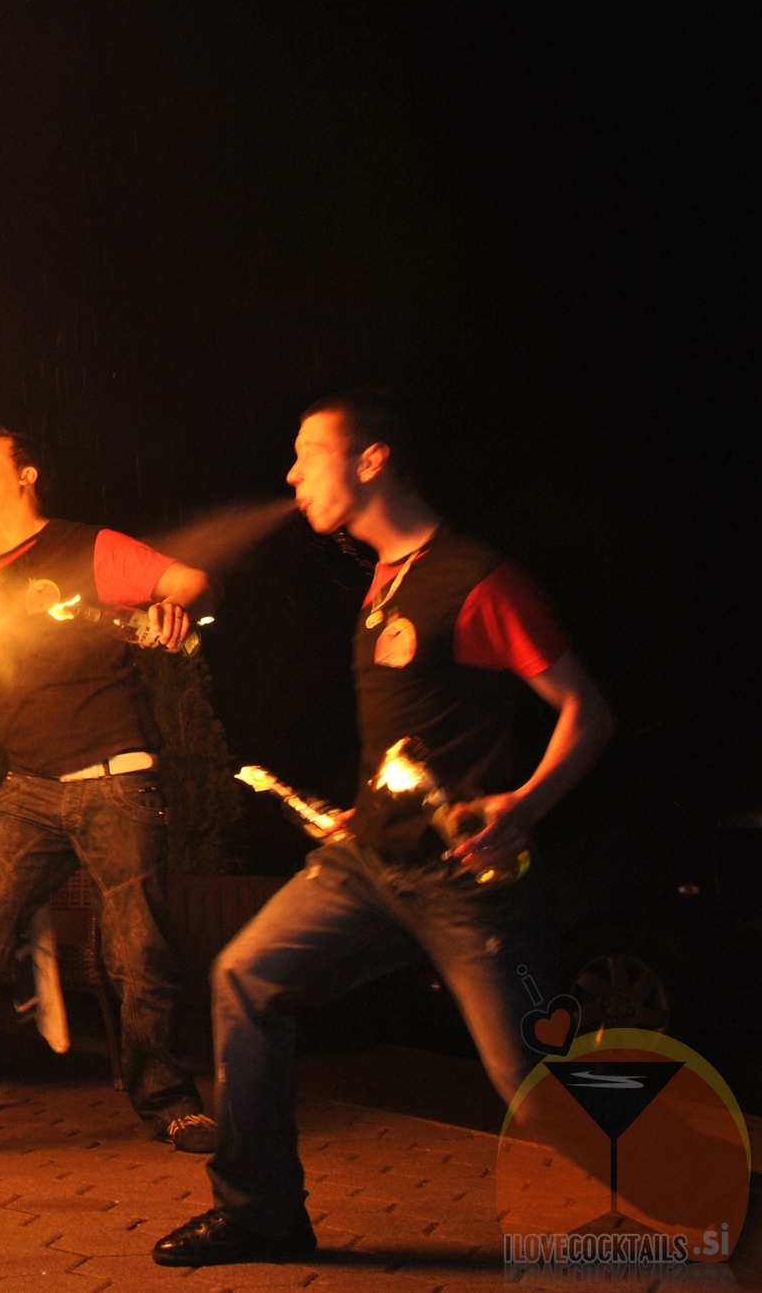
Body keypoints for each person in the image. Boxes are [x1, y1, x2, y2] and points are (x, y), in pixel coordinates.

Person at [153, 389, 615, 1266]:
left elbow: (586, 713)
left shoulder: (477, 580)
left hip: (465, 882)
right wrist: (359, 814)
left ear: (371, 460)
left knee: (528, 1077)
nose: (290, 474)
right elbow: (416, 737)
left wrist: (523, 805)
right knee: (246, 978)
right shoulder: (381, 582)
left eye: (306, 452)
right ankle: (261, 1214)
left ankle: (673, 1175)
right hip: (368, 864)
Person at [0, 427, 219, 1167]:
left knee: (138, 952)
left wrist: (174, 607)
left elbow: (189, 581)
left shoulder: (87, 547)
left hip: (115, 776)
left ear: (27, 476)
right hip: (27, 789)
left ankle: (171, 1102)